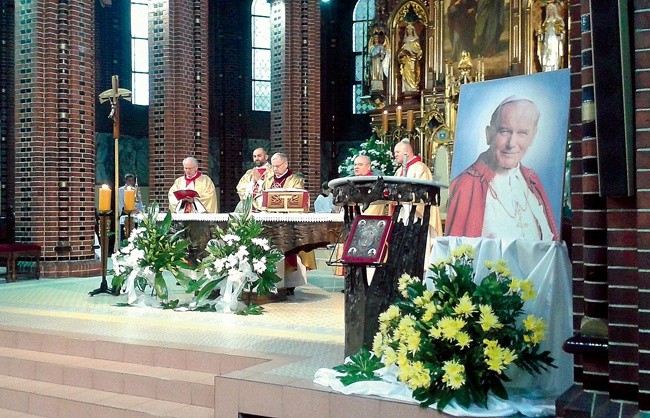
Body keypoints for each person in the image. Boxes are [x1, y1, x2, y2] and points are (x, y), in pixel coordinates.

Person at [445, 97, 558, 241]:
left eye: (522, 133)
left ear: (533, 137)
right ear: (489, 134)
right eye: (504, 131)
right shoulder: (467, 184)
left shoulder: (532, 180)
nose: (511, 143)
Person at [259, 152, 314, 295]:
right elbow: (261, 197)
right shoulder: (268, 179)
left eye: (277, 166)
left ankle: (290, 284)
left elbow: (298, 198)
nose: (275, 169)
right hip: (271, 222)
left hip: (288, 222)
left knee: (291, 250)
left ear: (286, 164)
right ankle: (270, 280)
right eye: (273, 166)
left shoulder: (294, 180)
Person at [537, 2, 565, 72]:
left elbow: (562, 32)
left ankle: (555, 68)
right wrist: (540, 35)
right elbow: (542, 37)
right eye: (548, 10)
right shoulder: (545, 23)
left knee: (554, 54)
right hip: (547, 42)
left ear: (554, 10)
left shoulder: (558, 20)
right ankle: (546, 69)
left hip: (555, 40)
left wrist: (559, 33)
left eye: (551, 9)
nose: (550, 11)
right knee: (546, 55)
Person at [397, 23, 422, 93]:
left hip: (413, 61)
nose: (409, 31)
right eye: (407, 29)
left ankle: (413, 87)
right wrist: (402, 54)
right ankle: (407, 88)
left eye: (410, 29)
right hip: (406, 61)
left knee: (413, 73)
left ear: (413, 30)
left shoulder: (416, 40)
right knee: (406, 74)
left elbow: (419, 51)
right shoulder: (404, 41)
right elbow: (400, 53)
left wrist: (413, 54)